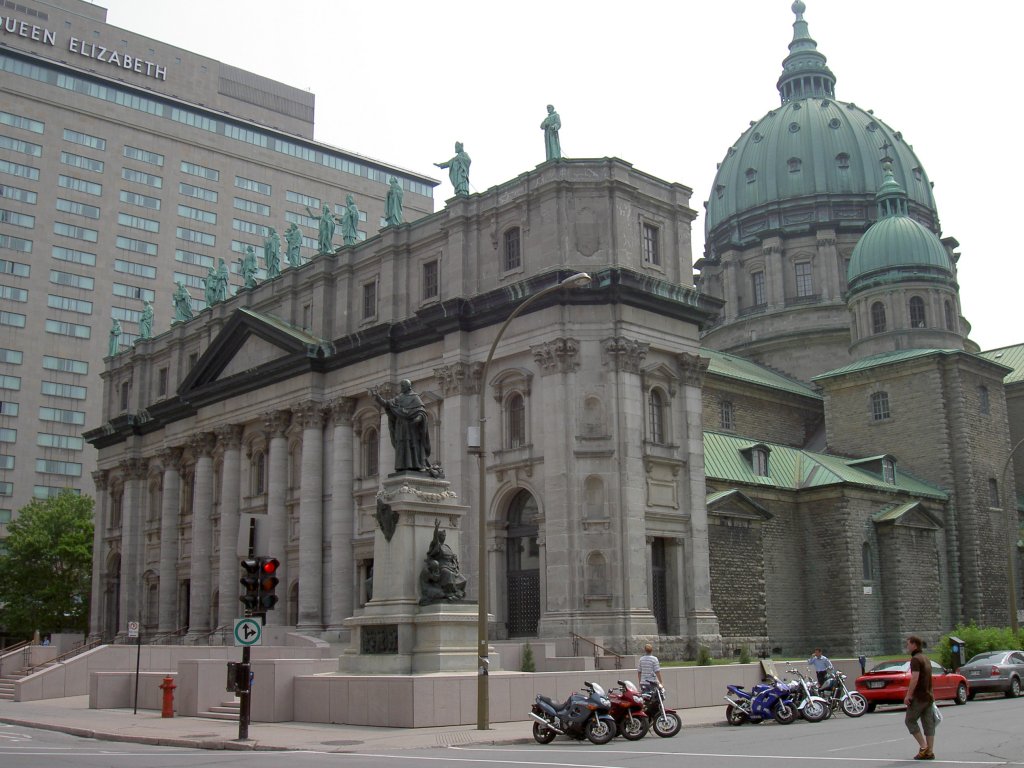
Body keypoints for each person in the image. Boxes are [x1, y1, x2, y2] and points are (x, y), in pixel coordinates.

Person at [371, 379, 431, 472]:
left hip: (412, 427)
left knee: (413, 446)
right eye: (401, 386)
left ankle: (417, 465)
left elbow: (421, 411)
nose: (401, 388)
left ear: (408, 387)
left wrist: (418, 418)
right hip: (401, 427)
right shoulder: (399, 398)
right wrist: (377, 396)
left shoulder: (415, 397)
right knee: (402, 445)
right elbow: (387, 404)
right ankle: (402, 466)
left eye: (403, 386)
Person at [904, 635, 936, 760]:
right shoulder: (926, 658)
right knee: (928, 723)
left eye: (908, 644)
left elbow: (915, 678)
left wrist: (908, 695)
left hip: (919, 696)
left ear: (914, 645)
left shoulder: (916, 659)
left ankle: (924, 748)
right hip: (929, 696)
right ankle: (930, 751)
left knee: (910, 720)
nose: (907, 647)